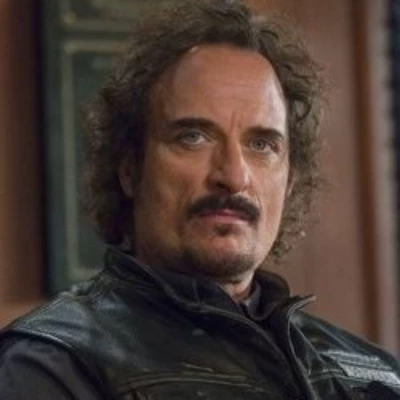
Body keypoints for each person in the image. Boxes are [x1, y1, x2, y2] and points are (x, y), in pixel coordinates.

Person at [1, 1, 399, 399]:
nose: (234, 176)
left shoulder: (374, 372)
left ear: (290, 181)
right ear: (130, 169)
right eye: (193, 137)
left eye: (262, 144)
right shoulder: (56, 361)